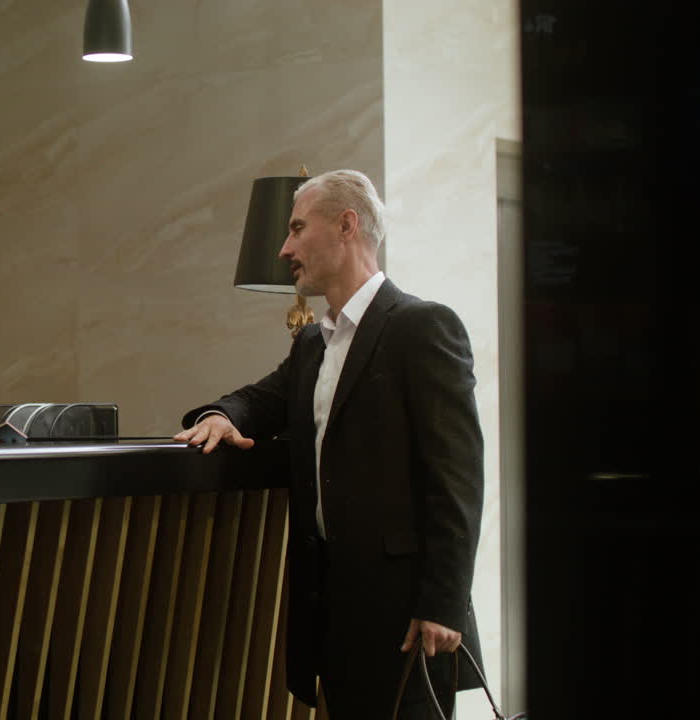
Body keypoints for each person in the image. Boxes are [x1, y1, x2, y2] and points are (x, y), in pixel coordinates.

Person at [174, 170, 484, 719]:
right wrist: (222, 416)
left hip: (410, 621)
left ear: (346, 226)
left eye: (296, 229)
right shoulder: (314, 344)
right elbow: (259, 400)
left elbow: (457, 479)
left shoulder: (422, 326)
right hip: (334, 616)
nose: (284, 247)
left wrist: (443, 605)